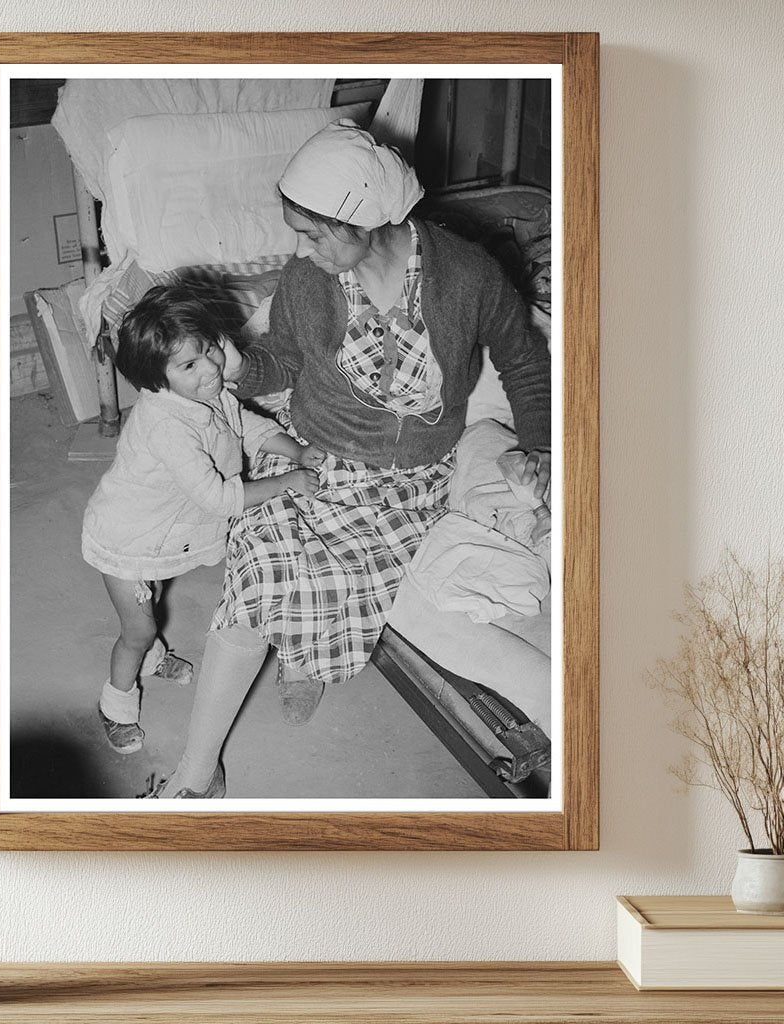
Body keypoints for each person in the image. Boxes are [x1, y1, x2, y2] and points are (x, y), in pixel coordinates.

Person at [151, 121, 550, 799]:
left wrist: (537, 445)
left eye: (312, 233)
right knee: (255, 578)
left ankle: (302, 660)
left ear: (364, 218)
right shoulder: (310, 282)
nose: (298, 251)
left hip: (412, 480)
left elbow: (522, 358)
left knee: (331, 579)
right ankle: (196, 778)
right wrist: (238, 367)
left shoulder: (467, 276)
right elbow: (282, 360)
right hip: (316, 454)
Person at [81, 285, 324, 760]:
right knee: (137, 629)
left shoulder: (208, 392)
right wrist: (286, 482)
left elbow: (245, 424)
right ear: (155, 380)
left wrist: (294, 450)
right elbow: (218, 498)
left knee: (151, 606)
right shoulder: (166, 424)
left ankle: (153, 658)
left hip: (163, 533)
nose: (211, 368)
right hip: (127, 542)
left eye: (210, 349)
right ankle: (116, 704)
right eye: (189, 365)